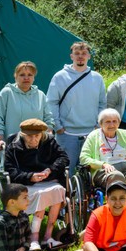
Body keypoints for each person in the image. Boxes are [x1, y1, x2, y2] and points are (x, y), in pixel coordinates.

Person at [3, 119, 69, 250]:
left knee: (59, 190)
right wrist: (30, 177)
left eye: (37, 136)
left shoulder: (49, 141)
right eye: (29, 136)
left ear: (42, 135)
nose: (33, 139)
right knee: (41, 194)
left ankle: (48, 236)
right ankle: (34, 237)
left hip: (49, 181)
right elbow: (10, 171)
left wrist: (50, 169)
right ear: (22, 135)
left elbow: (64, 158)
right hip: (26, 184)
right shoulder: (14, 145)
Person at [46, 41, 107, 175]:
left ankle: (88, 196)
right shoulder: (60, 77)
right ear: (71, 56)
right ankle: (67, 195)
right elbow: (51, 102)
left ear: (89, 56)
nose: (80, 56)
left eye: (84, 53)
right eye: (77, 53)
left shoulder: (97, 78)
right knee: (66, 171)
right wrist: (57, 126)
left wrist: (98, 125)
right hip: (67, 133)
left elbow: (102, 103)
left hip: (91, 133)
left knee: (92, 172)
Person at [80, 109, 126, 222]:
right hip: (104, 171)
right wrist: (102, 164)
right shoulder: (93, 136)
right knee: (116, 175)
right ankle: (118, 216)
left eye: (114, 121)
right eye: (107, 122)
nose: (111, 125)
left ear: (119, 122)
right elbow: (83, 158)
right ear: (100, 124)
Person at [0, 61, 54, 150]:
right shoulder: (6, 93)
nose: (26, 78)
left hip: (38, 147)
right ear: (15, 76)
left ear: (34, 77)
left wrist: (48, 137)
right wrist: (0, 140)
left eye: (30, 75)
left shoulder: (41, 95)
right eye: (22, 75)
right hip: (13, 146)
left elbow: (49, 119)